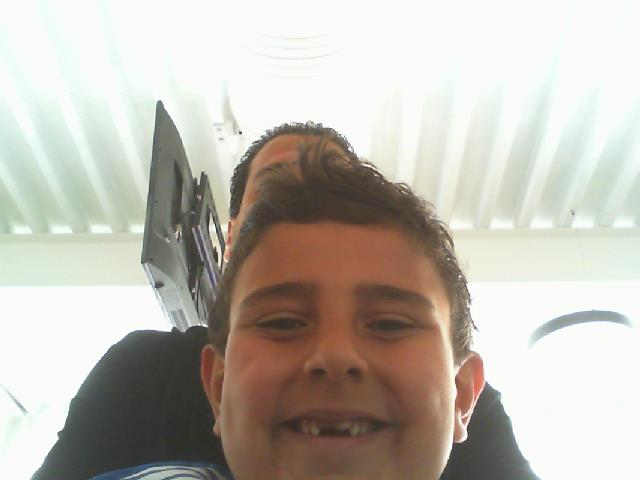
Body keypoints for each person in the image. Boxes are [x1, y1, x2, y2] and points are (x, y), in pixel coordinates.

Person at [33, 123, 539, 480]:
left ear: (463, 395)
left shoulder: (450, 395)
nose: (335, 354)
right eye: (282, 322)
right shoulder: (144, 371)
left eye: (387, 324)